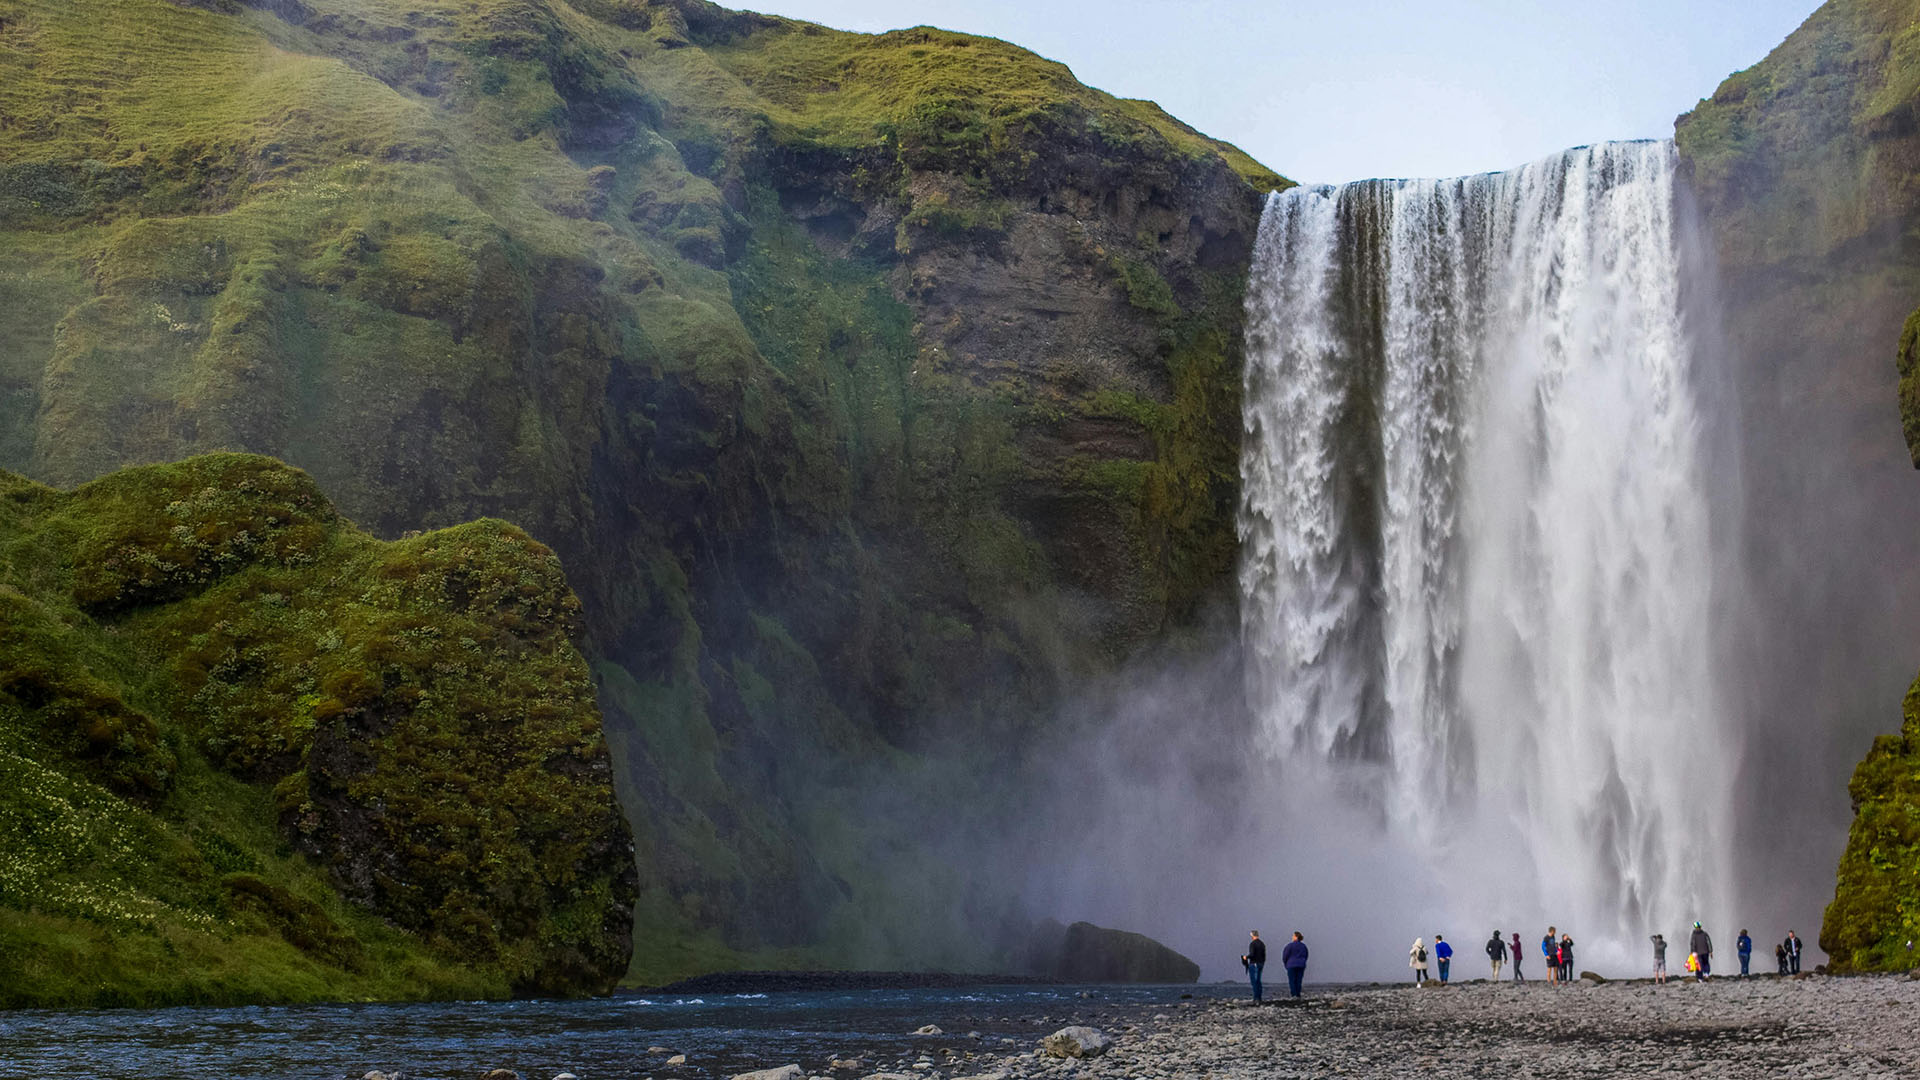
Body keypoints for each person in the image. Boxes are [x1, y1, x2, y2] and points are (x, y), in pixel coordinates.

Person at [1281, 931, 1309, 998]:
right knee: (1298, 980)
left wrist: (1286, 964)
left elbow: (1285, 956)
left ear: (1296, 937)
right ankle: (1298, 994)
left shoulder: (1290, 946)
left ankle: (1294, 995)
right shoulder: (1303, 946)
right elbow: (1306, 955)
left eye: (1293, 936)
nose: (1292, 937)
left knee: (1292, 981)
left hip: (1291, 964)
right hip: (1301, 964)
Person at [1243, 930, 1266, 1002]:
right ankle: (1259, 997)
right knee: (1258, 981)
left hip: (1254, 963)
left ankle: (1256, 998)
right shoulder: (1262, 944)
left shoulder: (1252, 944)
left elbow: (1252, 954)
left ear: (1252, 935)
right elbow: (1264, 955)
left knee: (1254, 981)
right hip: (1260, 963)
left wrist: (1246, 957)